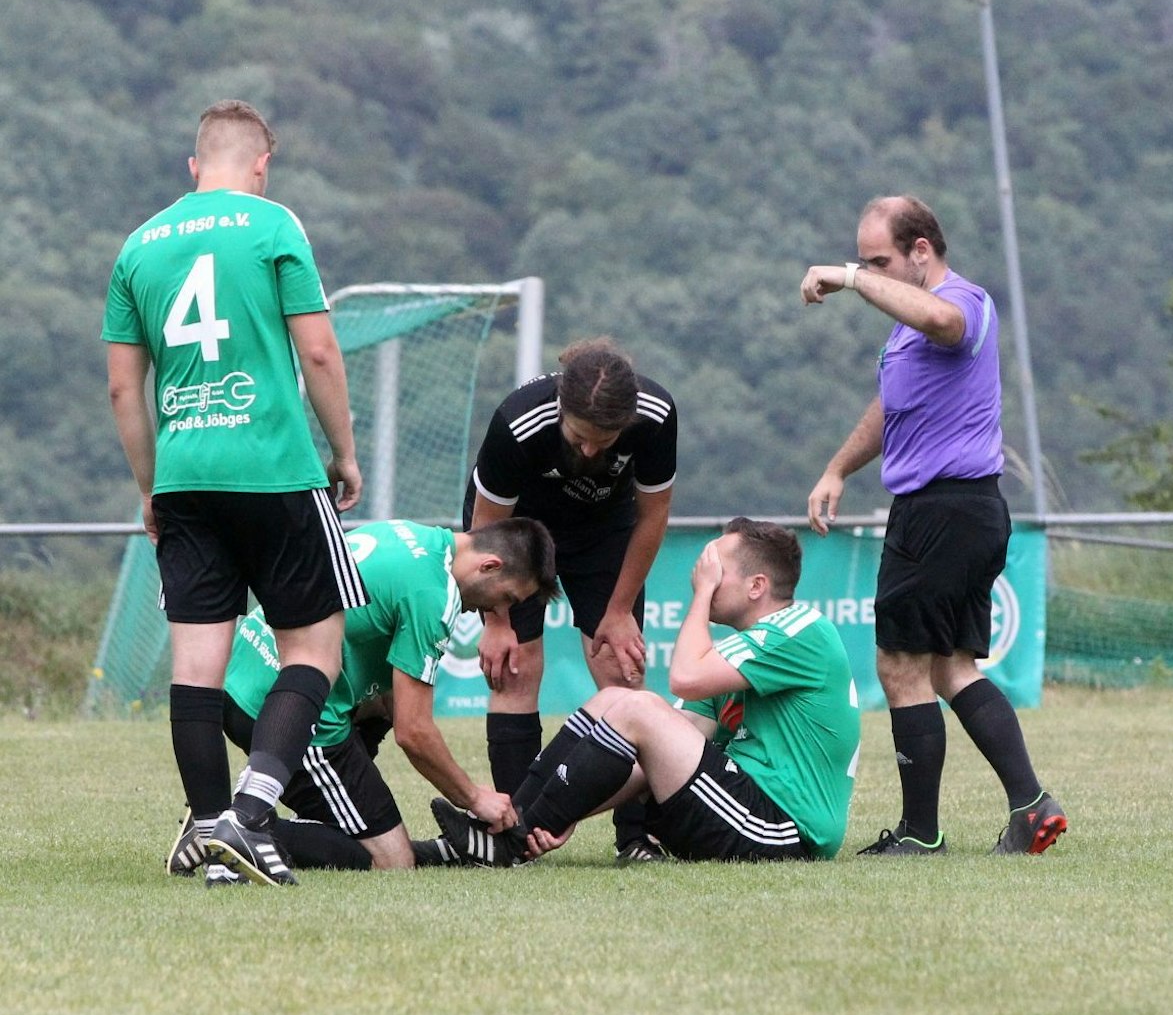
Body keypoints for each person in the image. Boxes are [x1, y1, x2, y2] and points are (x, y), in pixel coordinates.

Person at [106, 99, 369, 887]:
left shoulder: (138, 246)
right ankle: (253, 817)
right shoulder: (273, 223)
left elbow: (125, 390)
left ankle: (215, 839)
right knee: (315, 651)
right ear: (261, 165)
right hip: (276, 470)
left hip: (184, 478)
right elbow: (318, 353)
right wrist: (345, 453)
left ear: (194, 167)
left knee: (197, 668)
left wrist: (152, 490)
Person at [799, 195, 1066, 855]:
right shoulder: (904, 332)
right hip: (957, 510)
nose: (870, 274)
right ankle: (1031, 807)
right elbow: (892, 408)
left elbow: (946, 322)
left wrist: (853, 279)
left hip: (943, 511)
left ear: (921, 250)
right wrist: (837, 469)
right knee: (949, 667)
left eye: (880, 261)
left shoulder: (964, 302)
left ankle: (921, 834)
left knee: (899, 665)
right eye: (865, 263)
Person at [431, 519, 862, 865]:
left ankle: (506, 842)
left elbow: (685, 679)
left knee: (637, 706)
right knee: (612, 702)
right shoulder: (738, 657)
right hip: (738, 806)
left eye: (716, 570)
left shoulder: (801, 630)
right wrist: (572, 806)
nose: (702, 575)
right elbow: (662, 756)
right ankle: (508, 828)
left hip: (783, 829)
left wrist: (700, 596)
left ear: (757, 586)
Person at [215, 518, 557, 880]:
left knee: (382, 706)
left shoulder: (403, 532)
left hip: (240, 674)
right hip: (292, 713)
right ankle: (233, 822)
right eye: (505, 599)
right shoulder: (435, 595)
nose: (494, 612)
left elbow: (394, 703)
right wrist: (475, 798)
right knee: (391, 860)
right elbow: (413, 731)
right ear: (489, 566)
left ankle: (266, 817)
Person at [464, 336, 678, 863]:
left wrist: (620, 610)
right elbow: (485, 530)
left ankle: (636, 838)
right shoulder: (518, 422)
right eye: (580, 437)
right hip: (518, 536)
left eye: (605, 441)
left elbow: (652, 517)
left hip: (605, 533)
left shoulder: (656, 415)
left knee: (623, 675)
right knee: (516, 669)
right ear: (562, 407)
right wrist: (497, 623)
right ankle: (516, 836)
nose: (590, 451)